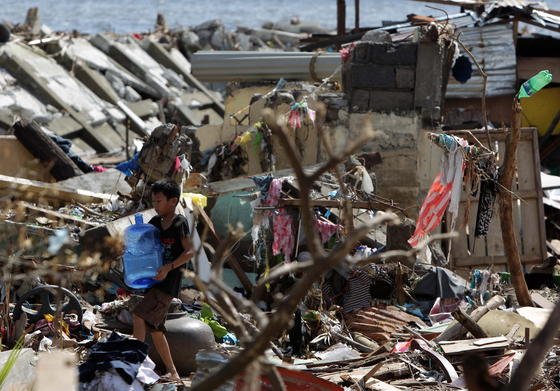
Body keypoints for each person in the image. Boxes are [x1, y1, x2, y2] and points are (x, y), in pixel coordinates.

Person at [132, 179, 193, 380]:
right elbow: (143, 243)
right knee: (156, 330)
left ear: (173, 201)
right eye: (154, 202)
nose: (155, 206)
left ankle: (134, 362)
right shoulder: (156, 223)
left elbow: (190, 251)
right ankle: (174, 373)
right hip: (153, 281)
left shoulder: (179, 223)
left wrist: (169, 267)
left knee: (138, 315)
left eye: (158, 201)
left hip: (168, 284)